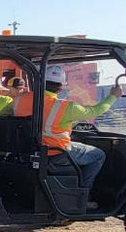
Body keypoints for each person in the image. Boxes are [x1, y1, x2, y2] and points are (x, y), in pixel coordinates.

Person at [39, 66, 120, 201]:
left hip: (30, 150)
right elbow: (96, 111)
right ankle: (83, 196)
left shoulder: (21, 100)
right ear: (61, 87)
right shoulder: (66, 107)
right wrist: (113, 96)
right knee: (98, 155)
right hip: (55, 152)